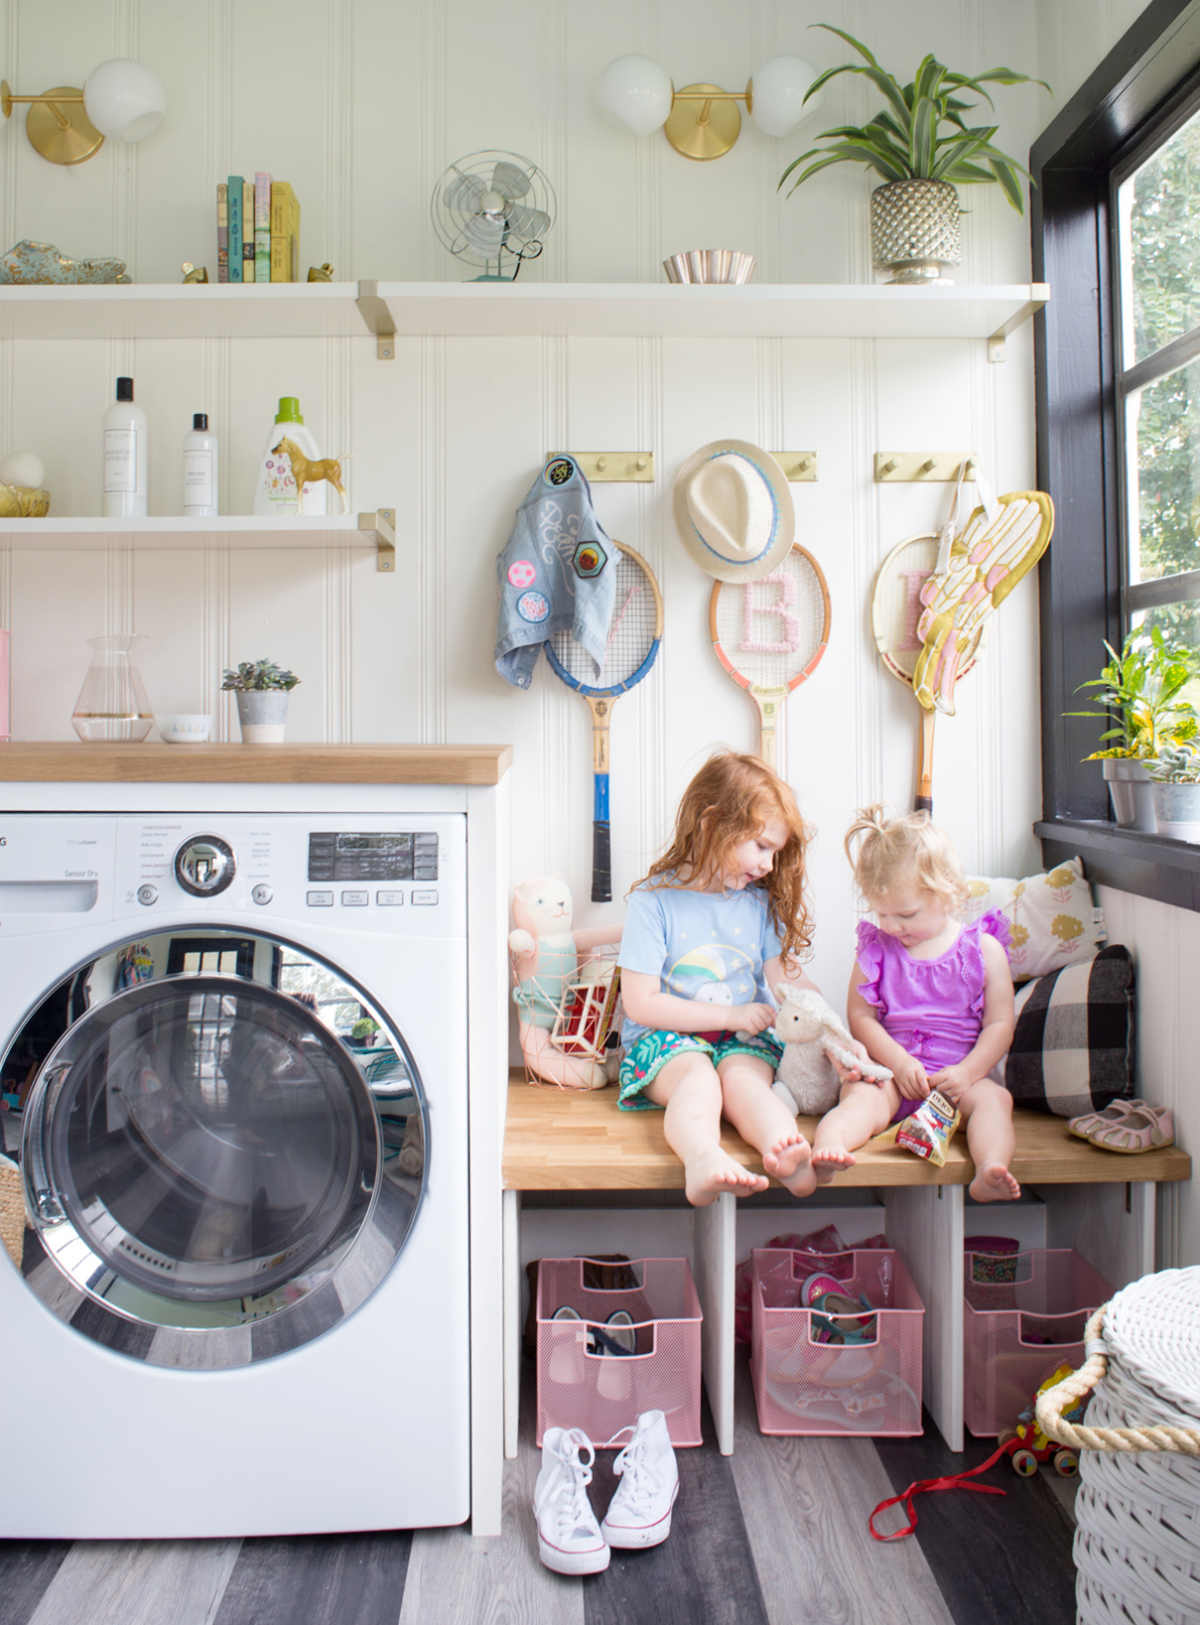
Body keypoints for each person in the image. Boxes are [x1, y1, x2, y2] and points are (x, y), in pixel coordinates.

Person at [617, 751, 864, 1207]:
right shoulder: (653, 903)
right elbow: (640, 1003)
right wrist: (731, 1013)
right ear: (713, 825)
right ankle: (702, 1159)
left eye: (775, 851)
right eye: (762, 846)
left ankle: (786, 1151)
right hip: (665, 1042)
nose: (769, 865)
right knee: (698, 1082)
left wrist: (833, 1031)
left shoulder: (755, 906)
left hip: (738, 1039)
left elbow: (786, 980)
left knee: (746, 1081)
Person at [812, 805, 1020, 1203]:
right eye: (882, 913)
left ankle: (991, 1168)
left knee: (996, 1101)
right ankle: (830, 1145)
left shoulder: (983, 949)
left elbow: (1000, 1025)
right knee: (861, 1099)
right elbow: (861, 1017)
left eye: (905, 914)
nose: (891, 926)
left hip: (959, 1079)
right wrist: (899, 1062)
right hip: (894, 1074)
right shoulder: (877, 948)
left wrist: (968, 1072)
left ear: (946, 894)